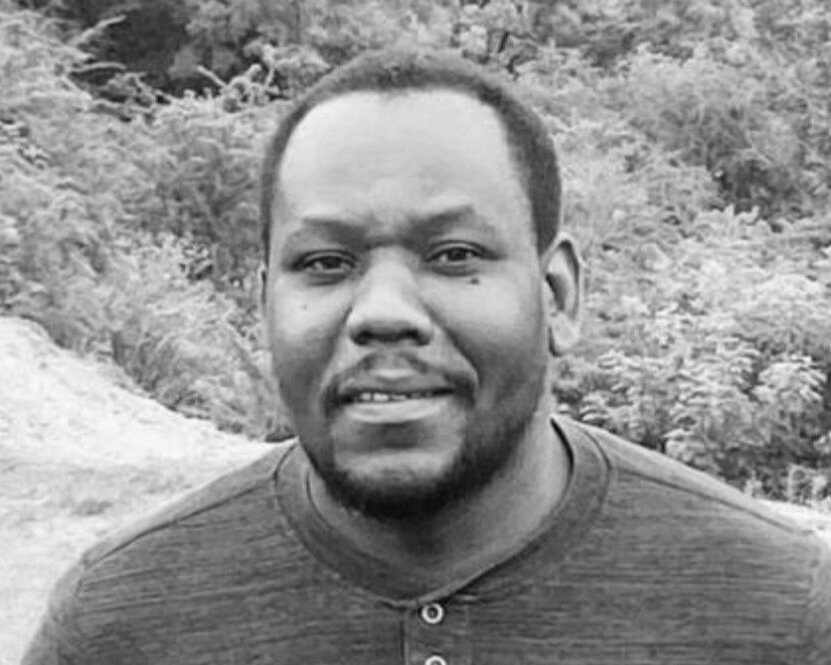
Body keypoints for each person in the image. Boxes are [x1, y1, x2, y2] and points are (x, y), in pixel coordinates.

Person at [22, 48, 831, 664]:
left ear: (556, 295)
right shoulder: (118, 624)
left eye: (452, 255)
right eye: (325, 263)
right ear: (263, 301)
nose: (382, 313)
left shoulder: (779, 612)